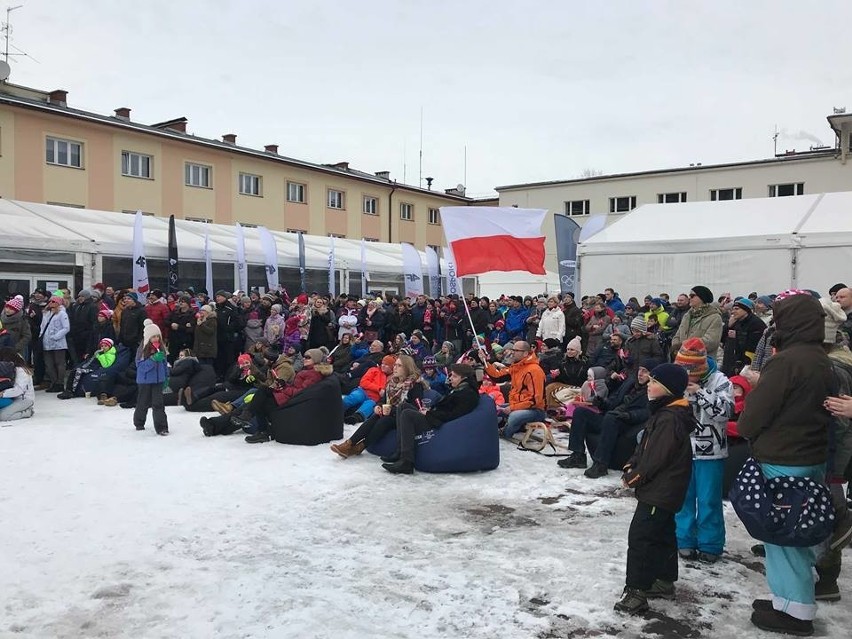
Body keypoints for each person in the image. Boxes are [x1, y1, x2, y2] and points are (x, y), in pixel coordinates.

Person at [737, 291, 835, 636]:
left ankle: (795, 614)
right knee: (798, 532)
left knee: (784, 537)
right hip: (810, 455)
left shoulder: (787, 361)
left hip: (783, 458)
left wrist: (754, 387)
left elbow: (754, 417)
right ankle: (787, 599)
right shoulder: (820, 357)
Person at [614, 363, 695, 615]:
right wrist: (631, 463)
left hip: (661, 490)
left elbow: (656, 458)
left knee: (641, 537)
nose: (649, 385)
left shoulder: (670, 418)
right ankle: (663, 579)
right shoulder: (664, 412)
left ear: (668, 389)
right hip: (663, 491)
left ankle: (636, 591)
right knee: (662, 533)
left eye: (654, 382)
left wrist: (634, 477)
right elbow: (645, 448)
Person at [673, 337, 733, 563]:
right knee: (683, 497)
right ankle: (684, 539)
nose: (686, 377)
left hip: (712, 451)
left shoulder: (720, 380)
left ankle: (711, 543)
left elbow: (726, 412)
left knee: (709, 499)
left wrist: (700, 393)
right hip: (682, 449)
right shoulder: (677, 378)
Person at [381, 363, 481, 474]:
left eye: (454, 376)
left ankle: (407, 461)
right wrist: (429, 410)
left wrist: (429, 413)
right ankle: (400, 451)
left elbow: (452, 415)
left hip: (439, 422)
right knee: (402, 406)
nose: (450, 378)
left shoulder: (468, 394)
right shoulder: (460, 389)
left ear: (464, 378)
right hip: (434, 415)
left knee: (407, 414)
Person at [330, 354, 426, 458]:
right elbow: (383, 400)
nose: (395, 368)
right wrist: (379, 406)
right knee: (375, 417)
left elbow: (414, 407)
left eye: (399, 366)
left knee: (384, 420)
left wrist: (392, 410)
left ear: (407, 368)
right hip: (389, 413)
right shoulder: (392, 382)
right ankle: (349, 443)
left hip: (402, 417)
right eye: (395, 365)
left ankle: (361, 446)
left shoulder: (415, 385)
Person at [479, 340, 545, 440]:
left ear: (525, 353)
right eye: (512, 349)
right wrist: (485, 361)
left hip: (535, 410)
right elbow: (497, 377)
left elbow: (535, 400)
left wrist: (512, 408)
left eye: (516, 350)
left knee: (514, 416)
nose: (512, 352)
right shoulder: (516, 367)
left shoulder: (534, 370)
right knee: (490, 408)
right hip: (517, 404)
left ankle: (504, 434)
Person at [134, 319, 169, 435]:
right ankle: (139, 422)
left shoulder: (162, 349)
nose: (156, 339)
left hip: (158, 381)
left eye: (157, 336)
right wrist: (153, 360)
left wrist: (166, 378)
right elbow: (141, 367)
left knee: (158, 404)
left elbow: (164, 365)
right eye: (153, 337)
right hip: (145, 381)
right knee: (143, 403)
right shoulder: (142, 350)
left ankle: (162, 427)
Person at [720, 297, 767, 377]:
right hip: (730, 361)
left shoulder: (756, 324)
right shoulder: (735, 321)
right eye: (733, 309)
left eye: (737, 309)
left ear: (746, 310)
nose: (733, 311)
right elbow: (721, 339)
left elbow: (753, 347)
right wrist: (728, 326)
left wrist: (742, 367)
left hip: (745, 364)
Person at [671, 285, 723, 356]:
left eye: (692, 296)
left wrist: (685, 346)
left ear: (702, 298)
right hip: (682, 358)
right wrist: (676, 347)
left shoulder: (715, 317)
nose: (689, 298)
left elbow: (711, 341)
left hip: (702, 361)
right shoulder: (687, 316)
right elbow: (677, 335)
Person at [40, 293, 70, 392]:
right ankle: (53, 382)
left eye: (54, 301)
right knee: (49, 364)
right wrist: (41, 336)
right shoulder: (46, 313)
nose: (51, 303)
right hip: (47, 342)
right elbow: (43, 326)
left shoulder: (62, 313)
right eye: (50, 301)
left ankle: (60, 383)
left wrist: (56, 336)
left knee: (59, 363)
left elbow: (66, 328)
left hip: (58, 343)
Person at [0, 347, 35, 421]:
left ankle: (27, 412)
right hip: (11, 398)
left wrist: (3, 393)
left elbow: (19, 390)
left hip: (24, 399)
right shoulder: (8, 369)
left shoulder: (21, 370)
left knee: (3, 415)